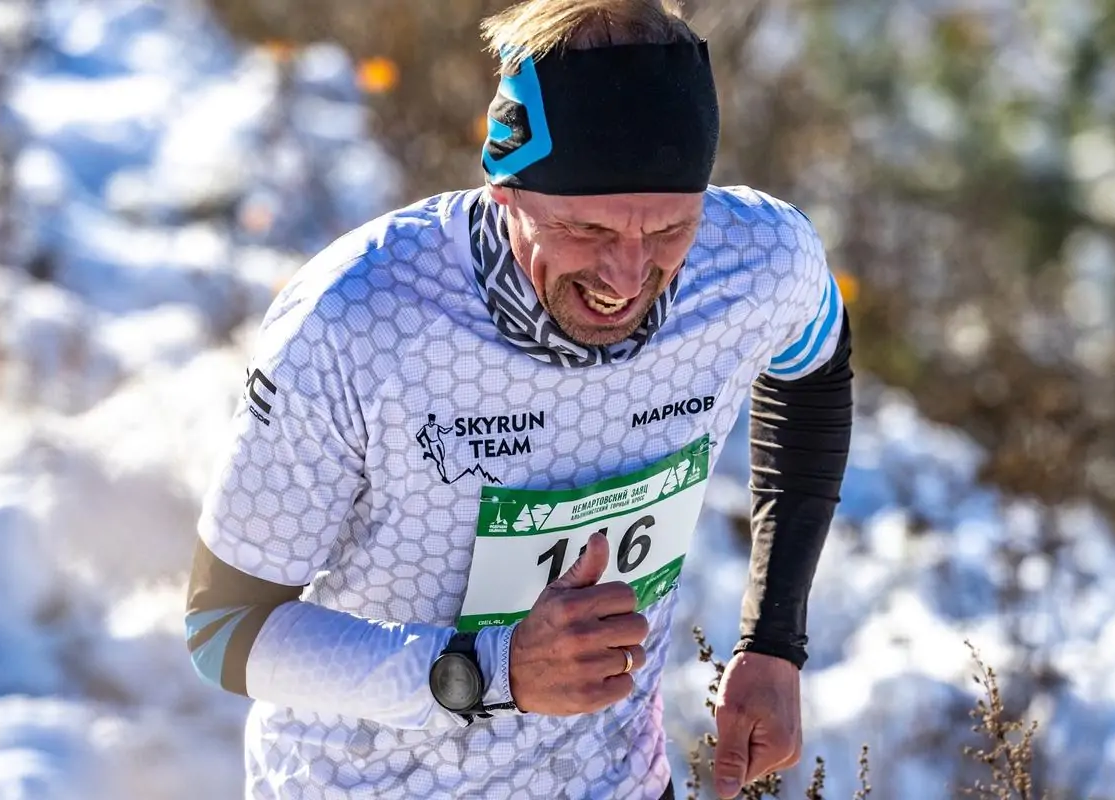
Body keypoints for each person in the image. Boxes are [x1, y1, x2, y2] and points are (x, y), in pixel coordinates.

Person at [184, 0, 853, 797]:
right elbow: (223, 628)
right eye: (589, 233)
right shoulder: (356, 320)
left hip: (614, 781)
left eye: (669, 231)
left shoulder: (756, 260)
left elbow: (816, 368)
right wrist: (485, 671)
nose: (627, 277)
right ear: (507, 191)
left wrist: (774, 641)